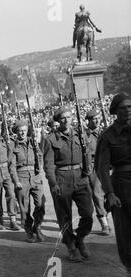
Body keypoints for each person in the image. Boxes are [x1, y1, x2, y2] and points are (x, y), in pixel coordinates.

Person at [43, 107, 94, 262]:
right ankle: (71, 246)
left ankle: (80, 238)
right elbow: (48, 164)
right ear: (58, 121)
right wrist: (53, 183)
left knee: (88, 213)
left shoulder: (80, 135)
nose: (67, 120)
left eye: (69, 117)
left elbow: (87, 154)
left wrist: (88, 170)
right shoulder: (50, 139)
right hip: (61, 178)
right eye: (63, 118)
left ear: (73, 118)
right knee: (64, 215)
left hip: (80, 177)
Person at [95, 93, 131, 277]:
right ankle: (130, 271)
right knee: (125, 232)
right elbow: (101, 168)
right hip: (121, 188)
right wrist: (109, 193)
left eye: (130, 107)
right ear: (116, 112)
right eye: (123, 108)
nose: (128, 111)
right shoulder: (108, 136)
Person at [11, 120, 46, 243]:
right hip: (21, 177)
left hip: (35, 177)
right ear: (16, 132)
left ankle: (37, 226)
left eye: (24, 130)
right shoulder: (13, 146)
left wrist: (39, 158)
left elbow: (40, 156)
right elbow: (12, 166)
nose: (22, 133)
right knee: (24, 208)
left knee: (41, 203)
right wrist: (16, 181)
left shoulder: (33, 142)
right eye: (20, 131)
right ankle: (29, 231)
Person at [85, 109, 110, 235]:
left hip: (107, 163)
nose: (97, 120)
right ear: (88, 121)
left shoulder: (104, 132)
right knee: (97, 193)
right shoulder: (85, 134)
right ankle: (104, 222)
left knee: (111, 191)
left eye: (98, 118)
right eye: (94, 118)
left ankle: (106, 214)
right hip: (93, 165)